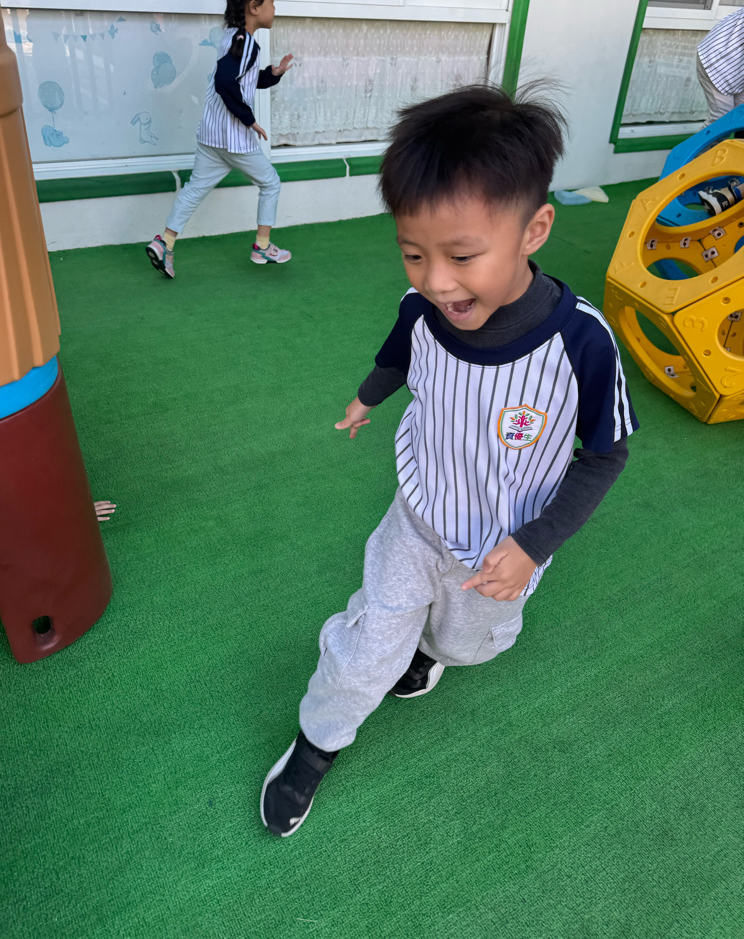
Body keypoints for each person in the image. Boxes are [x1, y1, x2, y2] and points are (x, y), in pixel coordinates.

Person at [259, 84, 639, 837]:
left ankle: (430, 652)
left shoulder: (581, 343)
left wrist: (532, 546)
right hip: (418, 514)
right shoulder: (422, 311)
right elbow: (398, 358)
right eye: (413, 253)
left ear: (534, 229)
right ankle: (316, 743)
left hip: (500, 548)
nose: (435, 280)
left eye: (462, 255)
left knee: (468, 644)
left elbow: (604, 456)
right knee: (369, 641)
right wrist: (366, 399)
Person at [146, 0, 294, 279]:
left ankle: (165, 243)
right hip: (234, 139)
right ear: (254, 7)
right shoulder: (247, 44)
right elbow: (225, 82)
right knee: (270, 183)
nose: (275, 7)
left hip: (210, 136)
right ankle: (262, 247)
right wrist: (249, 119)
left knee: (194, 189)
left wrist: (272, 75)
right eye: (272, 1)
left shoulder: (233, 37)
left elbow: (241, 79)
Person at [696, 6, 744, 126]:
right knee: (721, 121)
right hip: (719, 61)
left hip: (735, 62)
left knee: (740, 116)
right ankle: (702, 140)